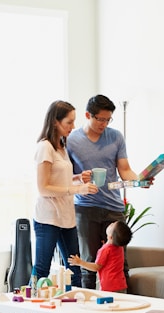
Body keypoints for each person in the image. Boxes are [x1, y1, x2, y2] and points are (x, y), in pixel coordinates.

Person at [67, 94, 140, 290]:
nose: (104, 124)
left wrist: (139, 181)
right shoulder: (72, 140)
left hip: (114, 208)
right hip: (85, 207)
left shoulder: (115, 136)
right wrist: (79, 178)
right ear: (87, 115)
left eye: (108, 120)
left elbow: (124, 169)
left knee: (120, 264)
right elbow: (66, 174)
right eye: (100, 119)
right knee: (88, 264)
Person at [32, 99, 98, 299]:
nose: (73, 126)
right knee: (42, 269)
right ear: (55, 122)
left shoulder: (61, 146)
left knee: (74, 268)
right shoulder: (45, 147)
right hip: (48, 218)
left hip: (66, 217)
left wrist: (78, 177)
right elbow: (43, 188)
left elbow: (57, 178)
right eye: (69, 122)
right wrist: (76, 189)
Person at [68, 220, 132, 293]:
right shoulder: (120, 248)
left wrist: (80, 262)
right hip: (121, 285)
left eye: (112, 225)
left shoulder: (104, 250)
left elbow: (96, 267)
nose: (111, 223)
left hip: (109, 288)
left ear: (110, 237)